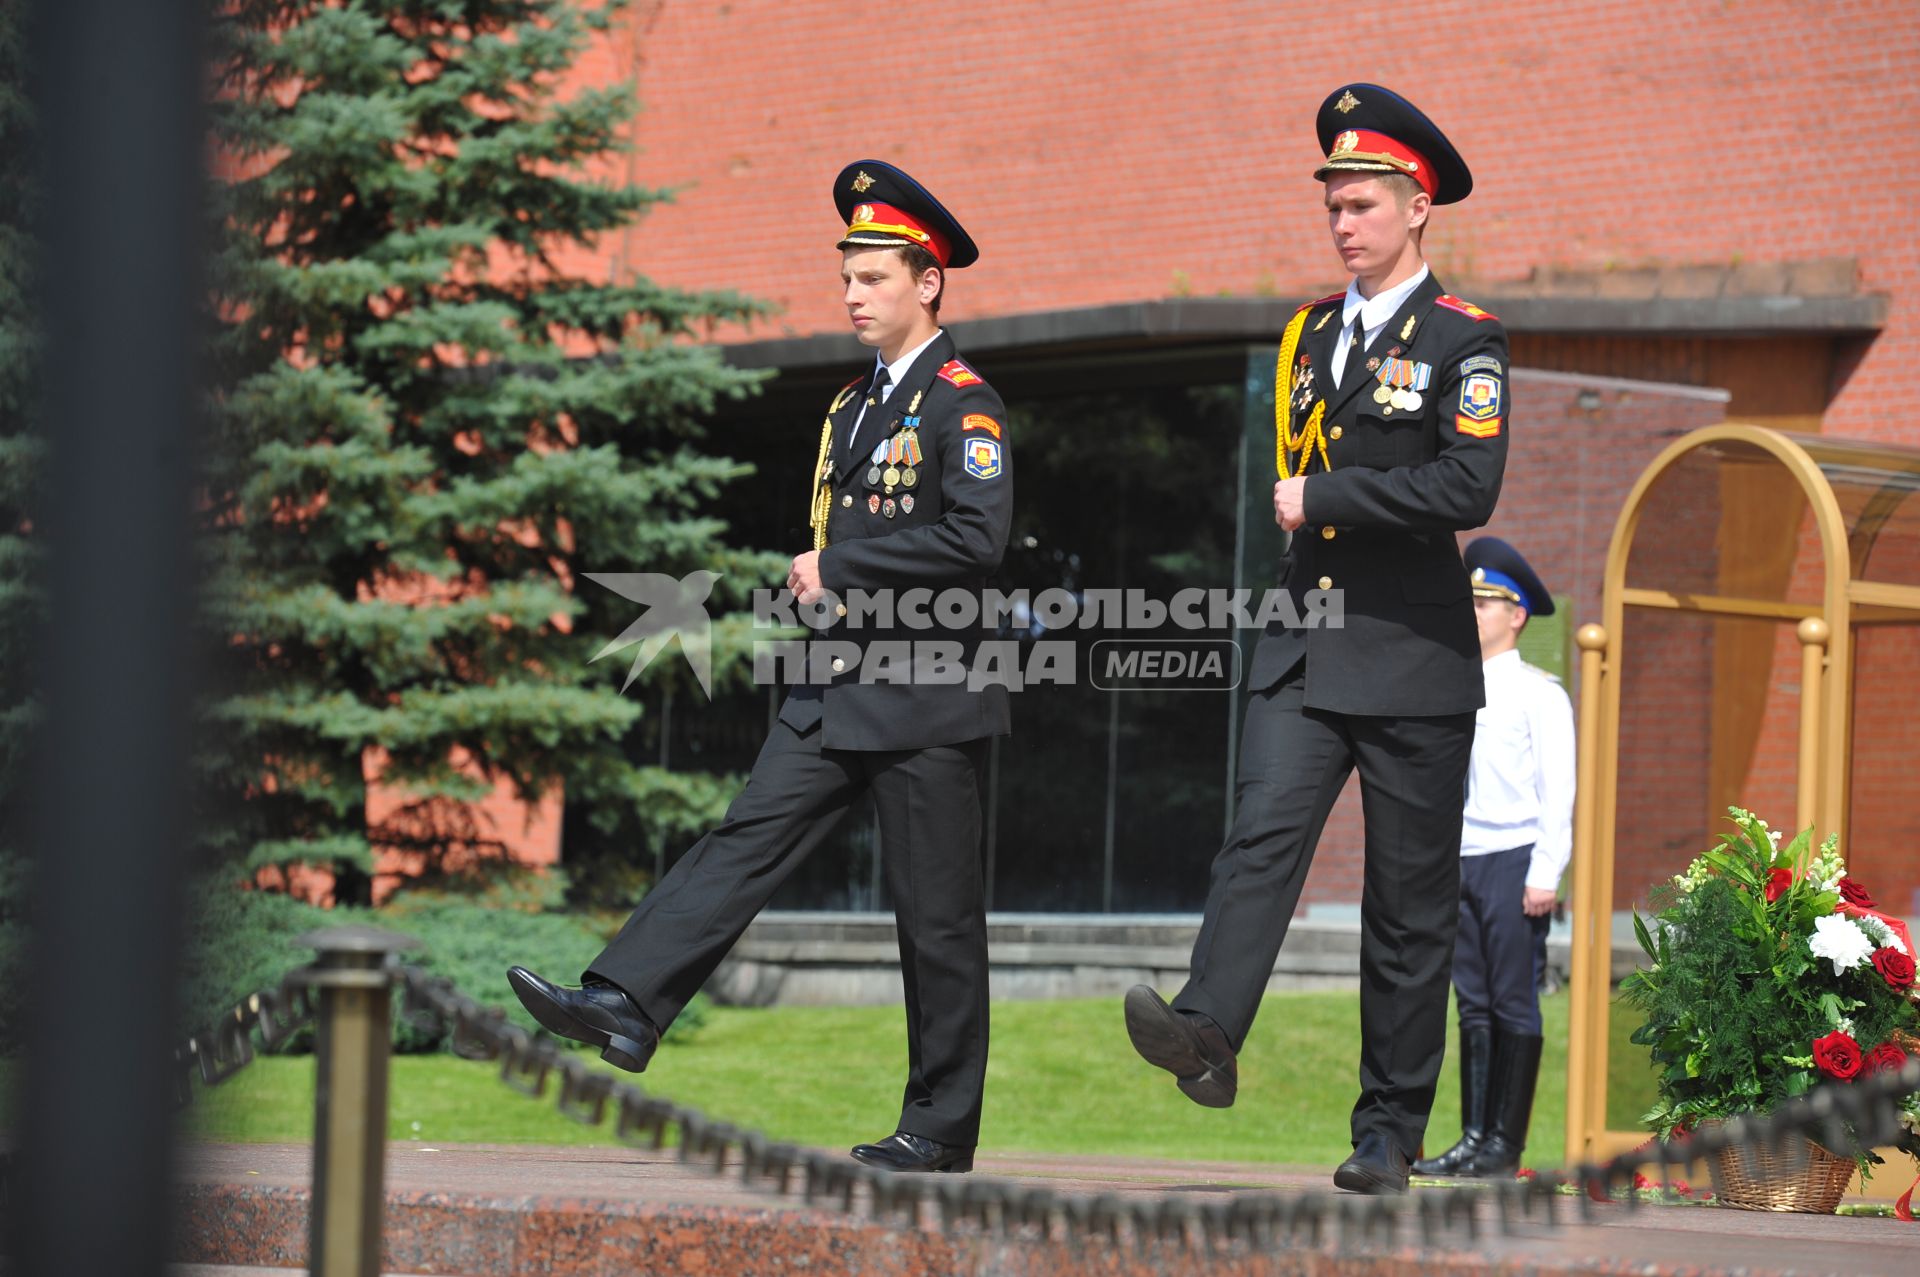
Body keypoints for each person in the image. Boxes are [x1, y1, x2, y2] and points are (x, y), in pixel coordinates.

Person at [507, 160, 1013, 1174]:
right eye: (848, 278)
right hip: (833, 685)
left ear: (928, 283)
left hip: (926, 696)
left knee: (938, 923)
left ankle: (939, 1126)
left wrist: (845, 567)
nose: (853, 295)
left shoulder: (968, 403)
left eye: (872, 277)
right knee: (741, 837)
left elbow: (979, 538)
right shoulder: (847, 407)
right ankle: (624, 1000)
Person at [1123, 83, 1509, 1195]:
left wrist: (1329, 496)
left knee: (1405, 905)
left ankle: (1386, 1128)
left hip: (1412, 653)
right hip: (1303, 635)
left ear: (1418, 205)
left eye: (1366, 204)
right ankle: (1206, 1029)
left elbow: (1467, 481)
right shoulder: (1307, 333)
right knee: (1258, 838)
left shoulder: (1464, 338)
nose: (1345, 223)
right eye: (1334, 204)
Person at [1414, 536, 1574, 1178]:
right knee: (1471, 1004)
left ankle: (1505, 1145)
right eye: (1470, 600)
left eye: (1486, 602)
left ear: (1517, 615)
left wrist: (1545, 873)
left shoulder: (1541, 694)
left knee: (1513, 1002)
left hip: (1513, 859)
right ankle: (1474, 1139)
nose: (1473, 611)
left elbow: (1558, 793)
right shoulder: (1451, 683)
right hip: (1461, 858)